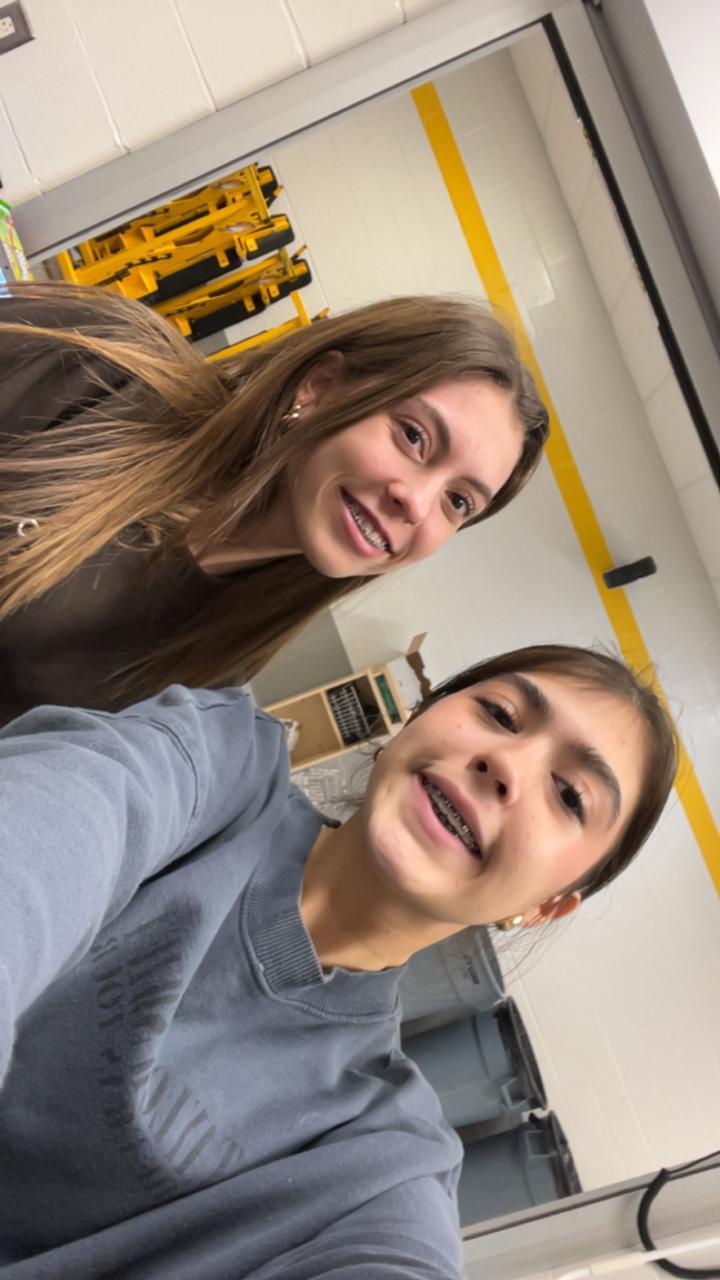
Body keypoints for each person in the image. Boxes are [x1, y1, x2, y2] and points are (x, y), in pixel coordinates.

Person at [0, 644, 677, 1278]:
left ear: (545, 906)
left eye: (569, 795)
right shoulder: (215, 764)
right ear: (420, 714)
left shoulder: (379, 1160)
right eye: (499, 715)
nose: (506, 764)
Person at [0, 282, 548, 726]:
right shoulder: (103, 365)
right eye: (413, 436)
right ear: (321, 386)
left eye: (458, 501)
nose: (417, 503)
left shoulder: (218, 666)